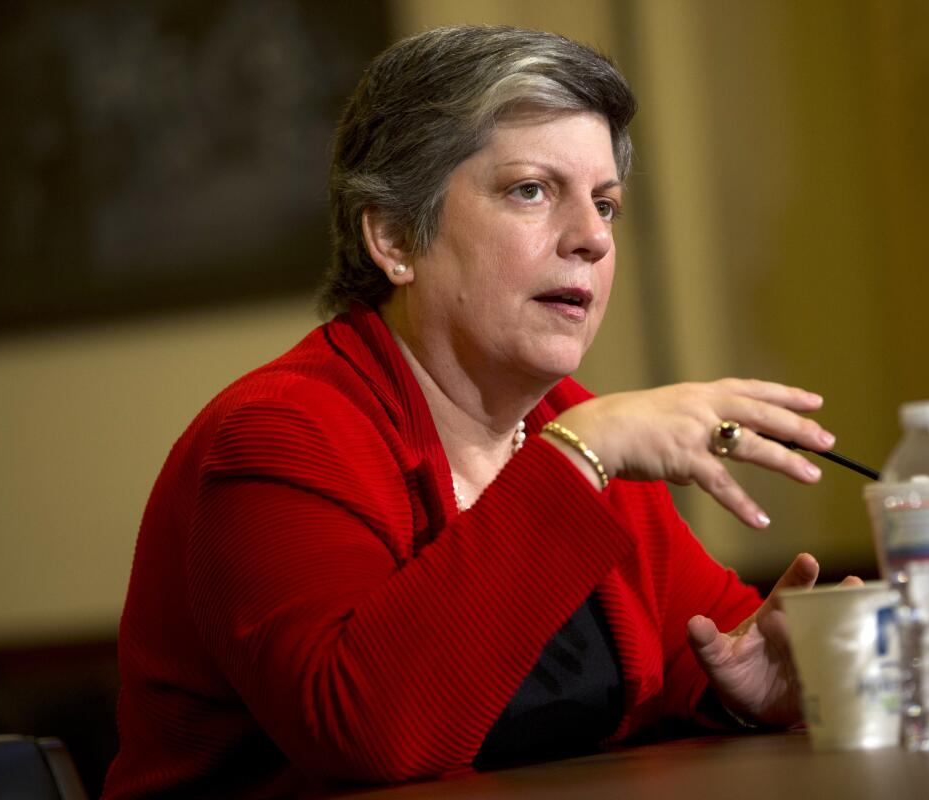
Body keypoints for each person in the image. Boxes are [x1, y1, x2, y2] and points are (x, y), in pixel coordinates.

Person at [103, 25, 851, 798]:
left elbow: (695, 653)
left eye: (605, 203)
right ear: (395, 237)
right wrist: (578, 454)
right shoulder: (278, 437)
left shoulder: (568, 420)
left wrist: (746, 692)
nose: (592, 238)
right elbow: (369, 732)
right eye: (531, 190)